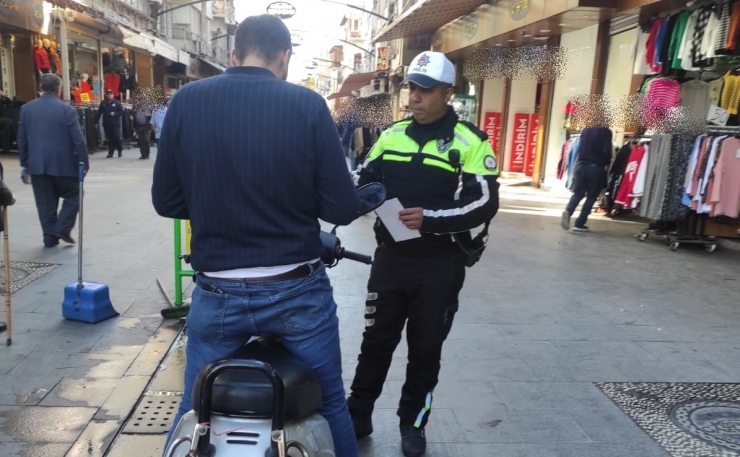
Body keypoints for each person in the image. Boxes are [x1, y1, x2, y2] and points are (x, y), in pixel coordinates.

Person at [152, 14, 362, 457]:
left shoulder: (187, 101)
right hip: (296, 291)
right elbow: (341, 207)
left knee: (196, 406)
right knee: (330, 402)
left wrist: (215, 204)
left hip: (217, 292)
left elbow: (166, 202)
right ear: (285, 57)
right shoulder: (307, 106)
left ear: (233, 54)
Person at [347, 51, 500, 457]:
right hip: (390, 261)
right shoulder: (391, 135)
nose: (415, 97)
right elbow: (365, 180)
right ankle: (357, 415)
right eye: (412, 87)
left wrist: (429, 218)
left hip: (440, 266)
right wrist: (362, 198)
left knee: (425, 348)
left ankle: (412, 424)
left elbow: (483, 203)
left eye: (425, 90)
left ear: (448, 93)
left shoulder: (471, 141)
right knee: (375, 342)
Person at [18, 73, 89, 248]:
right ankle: (62, 227)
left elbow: (22, 139)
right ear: (59, 89)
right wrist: (84, 163)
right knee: (75, 194)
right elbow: (78, 139)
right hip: (64, 164)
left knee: (45, 203)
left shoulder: (26, 109)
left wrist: (25, 163)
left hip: (37, 165)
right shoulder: (67, 110)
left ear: (41, 87)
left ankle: (50, 238)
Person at [560, 125, 613, 232]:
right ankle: (579, 224)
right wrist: (606, 163)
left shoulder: (586, 130)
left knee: (578, 193)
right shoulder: (606, 132)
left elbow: (580, 149)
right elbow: (607, 151)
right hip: (595, 168)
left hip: (581, 166)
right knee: (591, 197)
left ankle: (568, 211)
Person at [95, 88, 124, 158]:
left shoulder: (117, 103)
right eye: (108, 94)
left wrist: (115, 113)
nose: (109, 96)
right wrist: (95, 122)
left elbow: (122, 112)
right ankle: (110, 152)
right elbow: (99, 113)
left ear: (113, 95)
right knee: (110, 138)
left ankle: (119, 149)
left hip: (115, 124)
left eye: (110, 94)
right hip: (106, 123)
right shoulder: (103, 103)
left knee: (116, 137)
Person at [0, 90, 13, 157]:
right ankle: (1, 134)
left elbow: (10, 102)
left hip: (2, 119)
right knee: (9, 121)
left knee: (7, 129)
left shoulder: (2, 100)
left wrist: (4, 96)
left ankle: (6, 149)